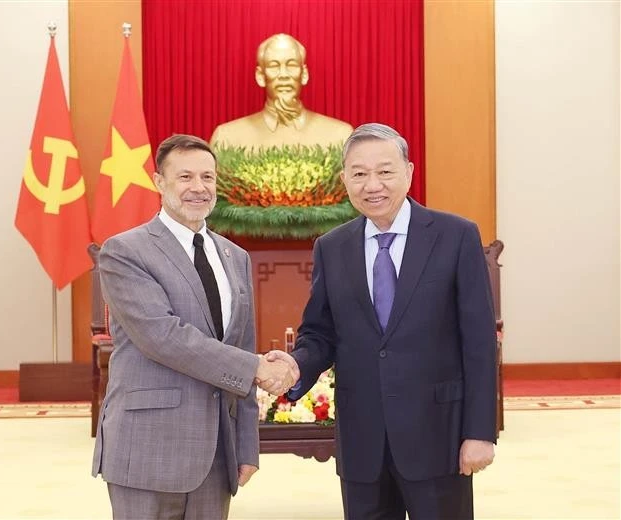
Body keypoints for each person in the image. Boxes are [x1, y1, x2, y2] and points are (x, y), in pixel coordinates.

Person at [269, 123, 497, 519]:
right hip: (363, 443)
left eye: (385, 171)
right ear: (344, 180)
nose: (372, 184)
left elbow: (478, 342)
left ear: (408, 172)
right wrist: (294, 366)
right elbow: (320, 334)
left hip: (438, 437)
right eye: (359, 174)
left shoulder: (455, 236)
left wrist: (479, 433)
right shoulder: (332, 246)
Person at [91, 134, 295, 520]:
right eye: (185, 177)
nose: (198, 188)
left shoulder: (235, 256)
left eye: (208, 177)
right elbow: (164, 337)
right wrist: (257, 368)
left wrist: (246, 444)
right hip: (147, 447)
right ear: (159, 182)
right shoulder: (125, 251)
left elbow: (241, 342)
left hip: (216, 454)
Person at [210, 33, 353, 149]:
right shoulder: (227, 139)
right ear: (260, 76)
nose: (283, 75)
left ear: (304, 74)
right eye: (274, 66)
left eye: (291, 65)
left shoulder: (340, 136)